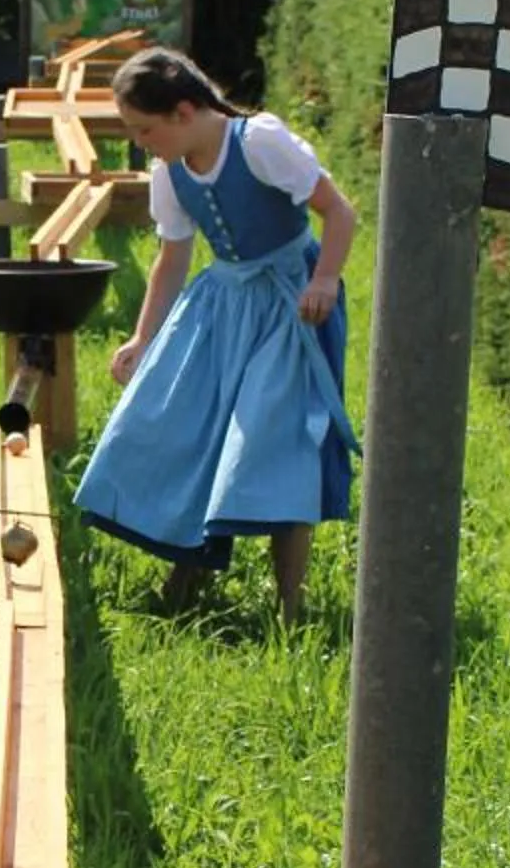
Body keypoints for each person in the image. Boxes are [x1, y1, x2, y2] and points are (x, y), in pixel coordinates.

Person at [72, 47, 359, 625]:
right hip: (222, 305)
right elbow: (172, 258)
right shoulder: (170, 172)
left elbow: (340, 212)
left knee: (279, 443)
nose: (141, 143)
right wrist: (143, 339)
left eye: (144, 129)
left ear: (183, 112)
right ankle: (186, 577)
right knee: (191, 429)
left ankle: (290, 606)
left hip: (289, 305)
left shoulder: (259, 143)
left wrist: (325, 279)